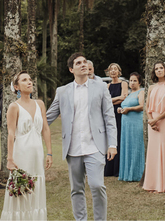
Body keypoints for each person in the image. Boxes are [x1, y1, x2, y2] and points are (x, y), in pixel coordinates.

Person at [46, 53, 118, 221]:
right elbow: (47, 117)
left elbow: (109, 117)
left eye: (84, 62)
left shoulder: (101, 87)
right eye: (78, 63)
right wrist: (28, 124)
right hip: (73, 148)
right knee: (77, 189)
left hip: (95, 146)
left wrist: (112, 144)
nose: (83, 65)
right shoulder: (62, 91)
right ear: (71, 69)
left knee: (97, 185)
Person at [0, 72, 53, 221]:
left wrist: (49, 152)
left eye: (30, 79)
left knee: (36, 187)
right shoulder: (14, 107)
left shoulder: (40, 104)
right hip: (21, 154)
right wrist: (10, 159)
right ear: (16, 87)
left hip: (37, 154)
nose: (29, 82)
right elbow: (11, 134)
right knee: (21, 187)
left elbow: (45, 129)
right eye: (24, 80)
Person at [142, 62, 165, 193]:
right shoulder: (151, 87)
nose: (159, 70)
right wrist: (151, 120)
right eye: (156, 69)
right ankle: (152, 184)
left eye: (161, 68)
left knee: (164, 151)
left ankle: (164, 185)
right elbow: (147, 106)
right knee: (154, 151)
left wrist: (157, 120)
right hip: (153, 123)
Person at [117, 72, 145, 182]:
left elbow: (142, 106)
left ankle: (137, 173)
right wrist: (121, 109)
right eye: (131, 80)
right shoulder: (129, 94)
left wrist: (129, 109)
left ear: (139, 82)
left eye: (135, 81)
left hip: (135, 123)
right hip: (126, 125)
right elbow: (125, 105)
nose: (132, 83)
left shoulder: (141, 92)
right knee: (127, 146)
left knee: (136, 146)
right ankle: (127, 172)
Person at [104, 63, 128, 177]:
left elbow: (124, 98)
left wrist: (110, 100)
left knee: (118, 138)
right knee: (110, 138)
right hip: (110, 114)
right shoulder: (107, 86)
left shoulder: (123, 83)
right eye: (111, 69)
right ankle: (109, 169)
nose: (113, 71)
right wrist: (116, 99)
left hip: (119, 113)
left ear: (119, 71)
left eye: (115, 69)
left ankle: (118, 168)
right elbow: (105, 101)